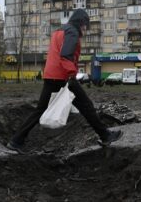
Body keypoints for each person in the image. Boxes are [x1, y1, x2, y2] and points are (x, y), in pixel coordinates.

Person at [7, 9, 122, 154]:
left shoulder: (59, 31)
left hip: (51, 75)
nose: (85, 29)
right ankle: (105, 136)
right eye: (85, 25)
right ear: (80, 22)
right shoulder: (72, 32)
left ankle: (16, 141)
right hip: (63, 77)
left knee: (40, 109)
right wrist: (71, 74)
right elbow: (65, 55)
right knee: (87, 106)